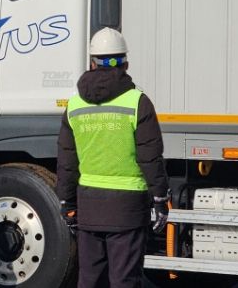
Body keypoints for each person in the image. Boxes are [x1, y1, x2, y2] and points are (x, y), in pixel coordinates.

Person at [56, 28, 169, 288]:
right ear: (125, 64)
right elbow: (150, 156)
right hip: (128, 209)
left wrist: (66, 202)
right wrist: (160, 198)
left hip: (89, 207)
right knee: (124, 281)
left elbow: (67, 162)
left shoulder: (74, 105)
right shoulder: (138, 102)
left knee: (90, 279)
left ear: (92, 63)